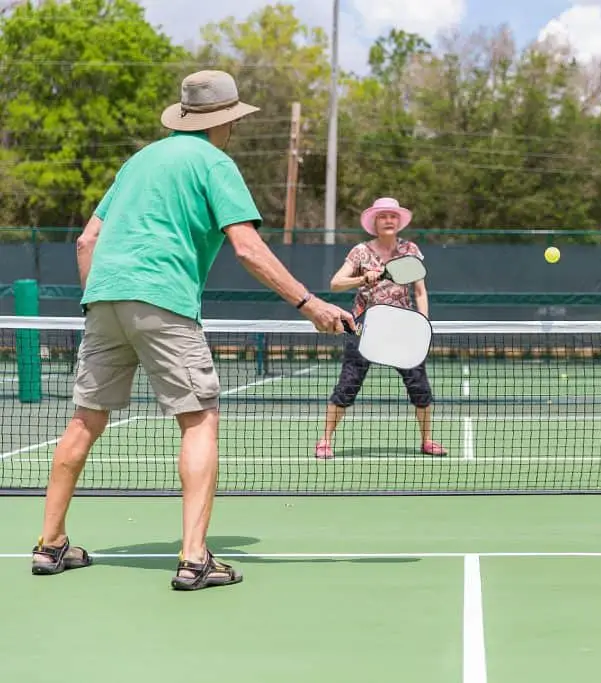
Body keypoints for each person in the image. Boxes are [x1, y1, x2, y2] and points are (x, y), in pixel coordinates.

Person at [29, 70, 353, 590]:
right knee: (199, 419)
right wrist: (308, 302)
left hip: (103, 299)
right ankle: (195, 557)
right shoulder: (215, 163)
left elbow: (86, 242)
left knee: (85, 420)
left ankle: (50, 545)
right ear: (226, 122)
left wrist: (98, 301)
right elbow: (246, 247)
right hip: (163, 299)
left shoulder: (138, 161)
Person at [315, 197, 448, 458]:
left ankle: (427, 440)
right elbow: (335, 283)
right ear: (374, 222)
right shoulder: (360, 252)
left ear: (398, 222)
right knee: (348, 385)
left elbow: (420, 291)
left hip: (403, 327)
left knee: (419, 386)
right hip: (364, 326)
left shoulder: (410, 249)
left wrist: (423, 323)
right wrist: (363, 278)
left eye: (392, 216)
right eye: (382, 216)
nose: (388, 220)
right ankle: (325, 441)